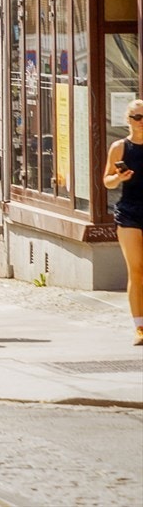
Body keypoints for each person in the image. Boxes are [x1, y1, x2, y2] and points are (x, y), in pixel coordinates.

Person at [103, 98, 143, 345]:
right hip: (129, 212)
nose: (142, 122)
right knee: (136, 270)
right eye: (137, 117)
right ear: (128, 120)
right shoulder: (120, 147)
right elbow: (106, 181)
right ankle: (139, 327)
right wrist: (118, 177)